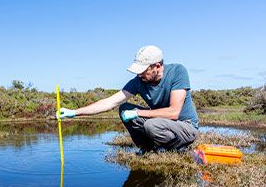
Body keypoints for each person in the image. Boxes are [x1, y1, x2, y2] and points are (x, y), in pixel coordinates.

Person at [57, 45, 199, 152]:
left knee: (151, 125)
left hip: (185, 126)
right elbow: (109, 102)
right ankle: (147, 149)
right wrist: (74, 112)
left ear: (157, 65)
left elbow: (173, 113)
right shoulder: (139, 81)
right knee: (124, 108)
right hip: (161, 123)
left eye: (143, 70)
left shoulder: (177, 72)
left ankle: (175, 149)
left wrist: (138, 113)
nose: (139, 75)